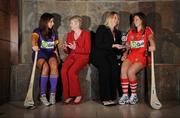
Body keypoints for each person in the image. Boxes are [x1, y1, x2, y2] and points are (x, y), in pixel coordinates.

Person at [118, 12, 156, 105]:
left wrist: (153, 46)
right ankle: (125, 95)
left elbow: (151, 39)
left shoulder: (147, 30)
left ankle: (134, 96)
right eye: (134, 19)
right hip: (132, 56)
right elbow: (128, 46)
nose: (134, 21)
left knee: (130, 71)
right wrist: (125, 53)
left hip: (143, 56)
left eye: (137, 19)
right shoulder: (131, 32)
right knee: (123, 69)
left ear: (142, 20)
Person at [91, 11, 125, 106]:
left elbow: (116, 50)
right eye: (114, 17)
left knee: (115, 69)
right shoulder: (102, 28)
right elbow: (98, 44)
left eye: (118, 18)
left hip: (110, 55)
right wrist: (113, 45)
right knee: (105, 69)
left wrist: (123, 48)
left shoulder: (118, 33)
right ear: (109, 18)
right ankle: (105, 98)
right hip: (99, 55)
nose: (117, 20)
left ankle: (112, 97)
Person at [61, 15, 91, 104]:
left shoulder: (86, 34)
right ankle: (67, 95)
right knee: (63, 71)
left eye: (71, 23)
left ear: (77, 24)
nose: (70, 25)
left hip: (83, 57)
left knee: (71, 72)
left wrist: (75, 48)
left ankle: (78, 94)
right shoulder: (69, 35)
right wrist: (65, 48)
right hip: (72, 56)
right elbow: (68, 51)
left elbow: (87, 50)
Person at [31, 13, 59, 106]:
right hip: (40, 54)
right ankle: (42, 95)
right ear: (45, 21)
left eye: (53, 21)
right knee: (45, 67)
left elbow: (55, 48)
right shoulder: (37, 31)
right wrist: (34, 45)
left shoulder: (54, 33)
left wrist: (58, 57)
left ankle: (52, 94)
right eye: (51, 21)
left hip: (50, 54)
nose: (53, 23)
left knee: (54, 65)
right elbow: (34, 38)